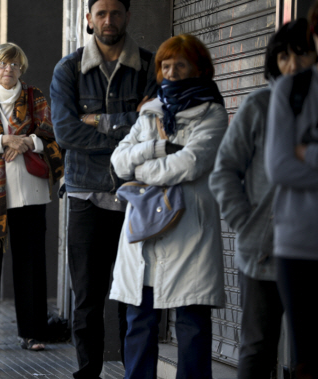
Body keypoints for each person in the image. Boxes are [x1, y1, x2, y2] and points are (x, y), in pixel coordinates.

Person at [108, 34, 227, 378]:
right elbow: (119, 161)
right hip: (145, 229)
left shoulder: (213, 114)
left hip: (190, 228)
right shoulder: (151, 112)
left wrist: (141, 169)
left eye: (180, 64)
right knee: (139, 322)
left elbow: (190, 164)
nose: (171, 72)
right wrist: (157, 150)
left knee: (191, 324)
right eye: (165, 65)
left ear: (198, 68)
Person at [49, 0, 157, 376]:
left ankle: (135, 372)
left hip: (137, 195)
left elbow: (158, 126)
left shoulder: (149, 65)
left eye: (116, 12)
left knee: (135, 298)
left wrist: (99, 121)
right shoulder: (69, 68)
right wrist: (130, 132)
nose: (109, 20)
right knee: (88, 298)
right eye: (101, 13)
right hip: (86, 195)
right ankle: (87, 372)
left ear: (128, 16)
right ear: (88, 19)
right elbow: (65, 131)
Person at [209, 19, 316, 379]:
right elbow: (224, 171)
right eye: (283, 55)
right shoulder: (260, 105)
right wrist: (245, 223)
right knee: (257, 346)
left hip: (307, 244)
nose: (292, 64)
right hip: (262, 250)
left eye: (301, 53)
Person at [0, 42, 63, 350]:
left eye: (15, 64)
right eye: (2, 64)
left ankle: (32, 332)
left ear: (22, 68)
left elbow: (51, 135)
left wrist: (26, 142)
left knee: (31, 262)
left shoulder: (35, 97)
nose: (8, 69)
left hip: (30, 192)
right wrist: (2, 141)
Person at [265, 3, 318, 377]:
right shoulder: (292, 90)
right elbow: (279, 167)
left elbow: (294, 161)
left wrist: (309, 153)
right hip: (299, 244)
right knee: (307, 358)